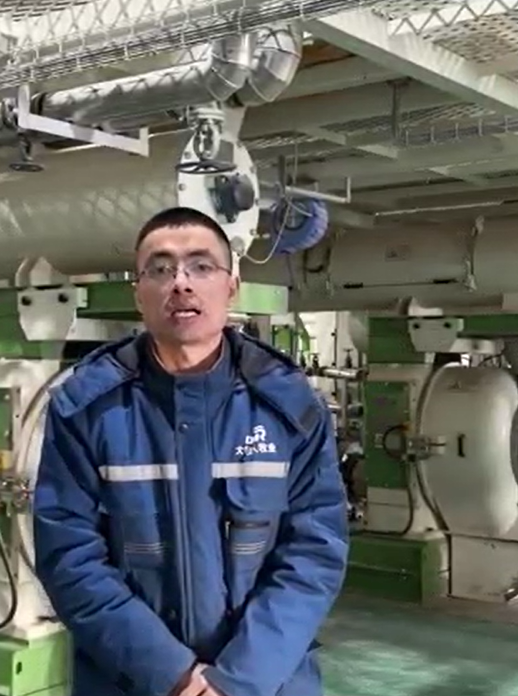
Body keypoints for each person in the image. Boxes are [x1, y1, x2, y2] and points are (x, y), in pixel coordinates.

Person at [32, 206, 349, 696]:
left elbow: (314, 552)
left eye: (201, 266)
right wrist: (171, 673)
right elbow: (69, 556)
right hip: (131, 680)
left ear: (231, 286)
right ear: (138, 292)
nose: (181, 283)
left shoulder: (289, 405)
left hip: (267, 682)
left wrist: (238, 680)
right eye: (160, 269)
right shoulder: (86, 408)